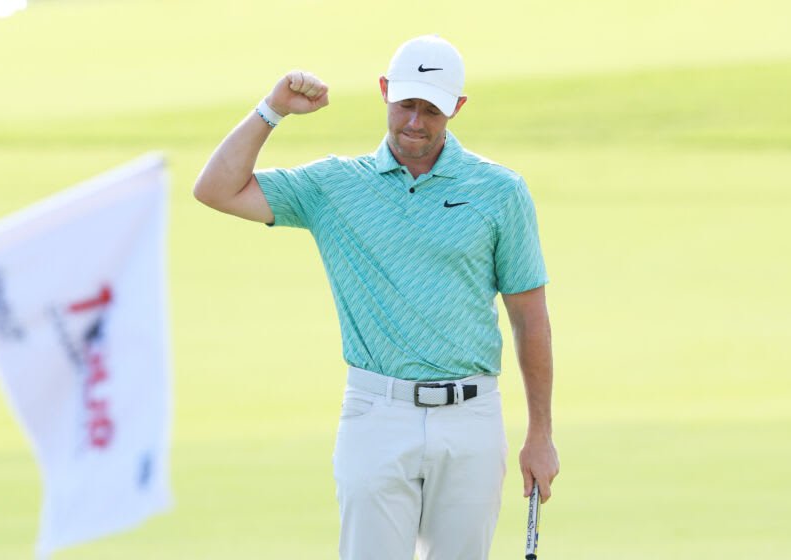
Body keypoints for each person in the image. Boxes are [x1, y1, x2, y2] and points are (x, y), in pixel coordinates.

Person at [194, 35, 559, 560]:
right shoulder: (335, 186)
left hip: (472, 417)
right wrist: (272, 110)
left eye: (431, 108)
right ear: (385, 92)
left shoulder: (500, 191)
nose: (415, 120)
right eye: (406, 103)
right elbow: (216, 189)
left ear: (456, 107)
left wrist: (540, 435)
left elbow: (530, 317)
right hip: (375, 414)